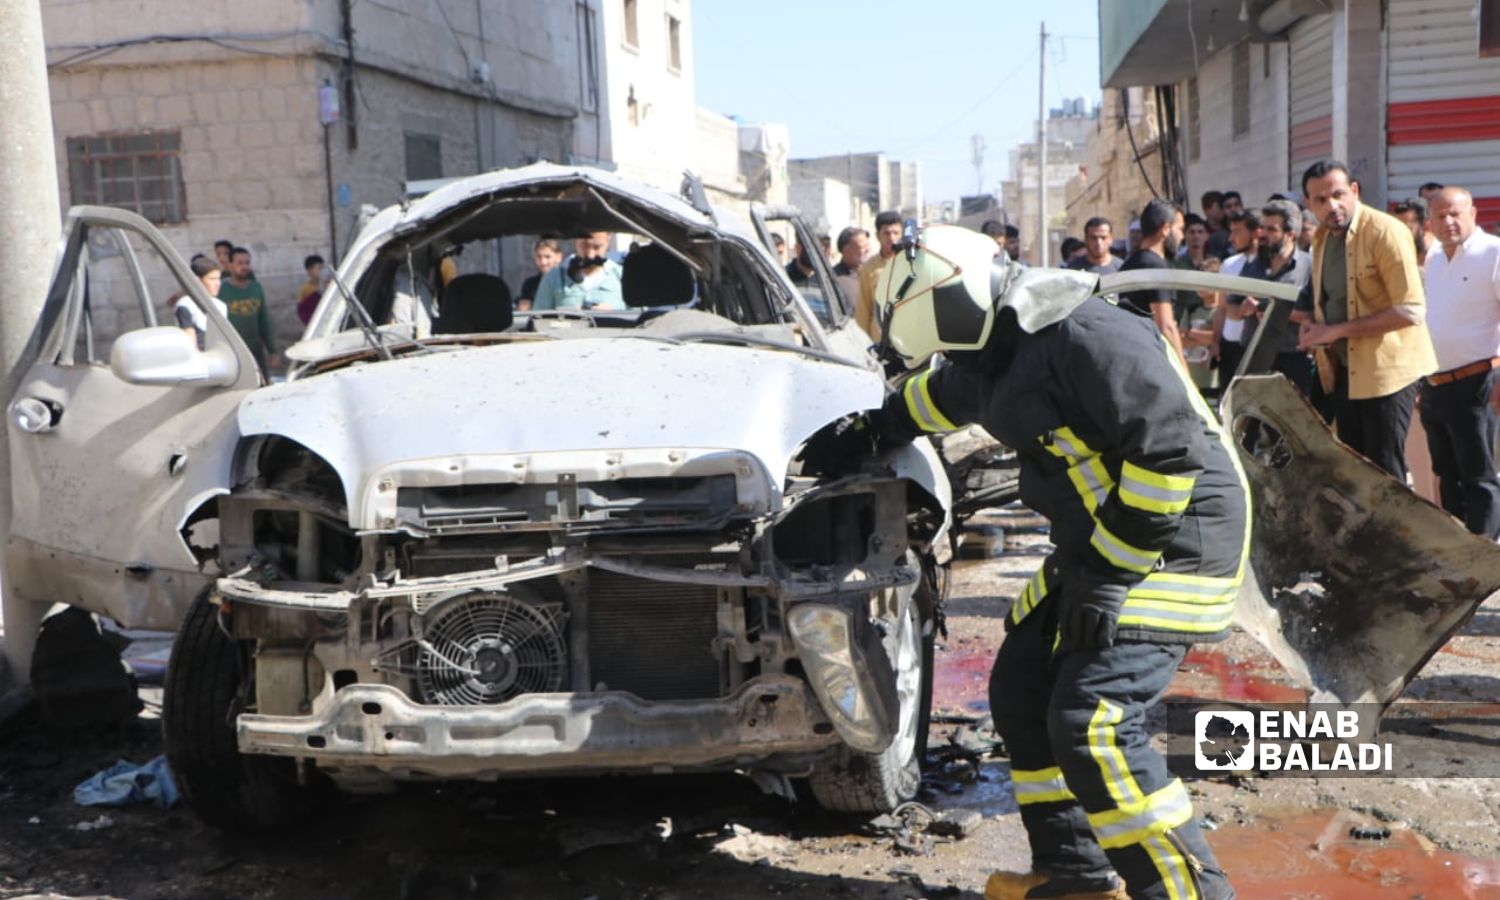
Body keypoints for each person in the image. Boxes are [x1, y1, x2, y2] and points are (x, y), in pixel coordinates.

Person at [848, 224, 1243, 900]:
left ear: (956, 295)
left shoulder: (1083, 334)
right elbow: (940, 397)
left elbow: (1171, 451)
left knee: (1094, 720)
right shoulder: (996, 349)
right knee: (1024, 691)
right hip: (1101, 543)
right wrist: (871, 426)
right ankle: (1077, 875)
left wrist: (1110, 576)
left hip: (1177, 539)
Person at [1293, 160, 1437, 480]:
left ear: (1354, 191)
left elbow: (1411, 310)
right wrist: (1313, 328)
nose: (1332, 205)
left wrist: (1336, 330)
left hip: (1388, 372)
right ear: (1309, 204)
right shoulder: (1320, 239)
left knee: (1384, 472)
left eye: (1338, 194)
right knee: (1354, 471)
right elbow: (1328, 300)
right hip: (1345, 369)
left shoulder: (1386, 231)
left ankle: (1395, 533)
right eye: (1320, 199)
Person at [1422, 187, 1500, 537]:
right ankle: (1457, 556)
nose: (1448, 221)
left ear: (1473, 213)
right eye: (1440, 215)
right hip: (1437, 384)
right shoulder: (1434, 258)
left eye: (1455, 213)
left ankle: (1485, 561)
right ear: (1430, 222)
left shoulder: (1493, 253)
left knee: (1479, 476)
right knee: (1447, 473)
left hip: (1479, 380)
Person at [1233, 200, 1315, 395]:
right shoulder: (1253, 265)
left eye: (1271, 229)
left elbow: (1315, 316)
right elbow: (1230, 309)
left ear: (1290, 235)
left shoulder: (1309, 267)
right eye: (1262, 228)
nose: (1262, 235)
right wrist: (1243, 309)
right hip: (1253, 356)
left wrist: (1273, 310)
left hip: (1291, 358)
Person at [1120, 199, 1187, 365]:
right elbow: (1166, 325)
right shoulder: (1155, 266)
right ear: (1165, 229)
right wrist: (1183, 370)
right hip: (1154, 359)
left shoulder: (1131, 263)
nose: (1182, 236)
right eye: (1179, 229)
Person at [1213, 210, 1261, 382]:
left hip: (1254, 348)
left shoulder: (1268, 265)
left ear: (1256, 232)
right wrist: (1215, 341)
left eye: (1237, 231)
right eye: (1230, 231)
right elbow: (1221, 308)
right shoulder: (1228, 264)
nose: (1231, 238)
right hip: (1229, 348)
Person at [219, 246, 280, 377]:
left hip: (255, 349)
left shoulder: (256, 288)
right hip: (231, 350)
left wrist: (272, 351)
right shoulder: (221, 290)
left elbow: (264, 320)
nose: (244, 266)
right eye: (240, 263)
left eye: (247, 263)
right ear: (230, 266)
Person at [532, 232, 624, 310]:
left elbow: (636, 320)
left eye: (597, 247)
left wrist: (615, 313)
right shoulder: (553, 278)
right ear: (576, 240)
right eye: (584, 246)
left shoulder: (622, 276)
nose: (590, 255)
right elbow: (538, 320)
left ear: (608, 240)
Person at [856, 211, 904, 341]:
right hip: (880, 341)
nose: (892, 238)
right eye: (887, 233)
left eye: (896, 233)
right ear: (878, 236)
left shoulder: (912, 264)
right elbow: (863, 310)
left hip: (908, 339)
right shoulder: (868, 268)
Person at [173, 255, 229, 350]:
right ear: (197, 280)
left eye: (218, 279)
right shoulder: (185, 305)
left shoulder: (221, 306)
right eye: (212, 279)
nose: (217, 283)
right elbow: (190, 343)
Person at [515, 238, 563, 311]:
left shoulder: (568, 282)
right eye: (539, 257)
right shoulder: (530, 284)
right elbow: (524, 311)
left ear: (558, 257)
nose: (543, 262)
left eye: (547, 257)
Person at [833, 226, 868, 314]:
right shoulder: (834, 279)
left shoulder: (871, 273)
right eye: (861, 247)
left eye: (867, 246)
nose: (867, 250)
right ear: (846, 251)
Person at [296, 254, 325, 325]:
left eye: (322, 268)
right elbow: (301, 310)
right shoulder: (306, 289)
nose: (321, 270)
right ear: (309, 270)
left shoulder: (328, 284)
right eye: (319, 268)